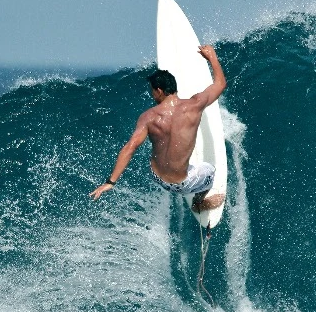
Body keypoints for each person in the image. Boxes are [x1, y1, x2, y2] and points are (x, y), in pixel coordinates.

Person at [89, 45, 227, 212]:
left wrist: (110, 182)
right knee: (210, 170)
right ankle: (198, 204)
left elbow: (130, 148)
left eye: (152, 91)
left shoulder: (148, 117)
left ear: (159, 91)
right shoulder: (195, 105)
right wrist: (212, 56)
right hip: (182, 183)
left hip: (157, 177)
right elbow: (220, 84)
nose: (152, 94)